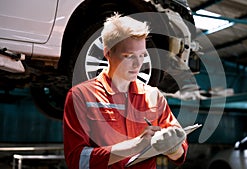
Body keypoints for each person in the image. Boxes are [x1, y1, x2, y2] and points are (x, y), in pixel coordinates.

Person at [63, 13, 188, 169]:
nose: (138, 64)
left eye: (142, 55)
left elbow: (181, 153)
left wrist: (172, 148)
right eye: (128, 56)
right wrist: (135, 145)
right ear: (107, 53)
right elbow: (77, 161)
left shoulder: (153, 97)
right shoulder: (81, 96)